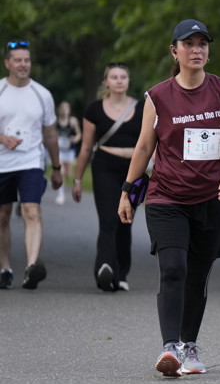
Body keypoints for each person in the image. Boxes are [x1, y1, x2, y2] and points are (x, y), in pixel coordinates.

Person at [118, 19, 220, 378]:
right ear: (174, 51)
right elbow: (144, 147)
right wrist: (128, 191)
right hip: (166, 197)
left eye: (202, 43)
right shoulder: (157, 96)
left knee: (197, 275)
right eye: (189, 44)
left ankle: (190, 345)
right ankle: (170, 346)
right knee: (174, 268)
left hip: (212, 198)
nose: (197, 50)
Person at [73, 62, 144, 292]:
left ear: (128, 80)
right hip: (104, 166)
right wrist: (77, 180)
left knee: (125, 221)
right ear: (106, 81)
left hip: (134, 170)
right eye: (114, 77)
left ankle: (121, 273)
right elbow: (86, 147)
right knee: (108, 219)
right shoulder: (94, 110)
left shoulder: (143, 107)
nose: (119, 81)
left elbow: (151, 143)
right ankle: (104, 267)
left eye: (123, 77)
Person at [0, 39, 61, 290]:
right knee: (2, 215)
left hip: (31, 161)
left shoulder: (42, 94)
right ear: (7, 63)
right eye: (18, 60)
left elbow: (50, 134)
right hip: (2, 163)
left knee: (32, 211)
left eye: (27, 60)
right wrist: (2, 138)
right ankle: (5, 268)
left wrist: (57, 168)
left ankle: (31, 267)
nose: (23, 64)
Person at [54, 101, 81, 205]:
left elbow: (79, 134)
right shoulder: (56, 121)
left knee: (68, 174)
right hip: (59, 150)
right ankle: (61, 195)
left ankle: (63, 183)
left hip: (69, 150)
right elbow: (51, 134)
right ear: (59, 110)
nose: (65, 110)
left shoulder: (72, 121)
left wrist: (75, 139)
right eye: (63, 108)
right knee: (61, 171)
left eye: (67, 108)